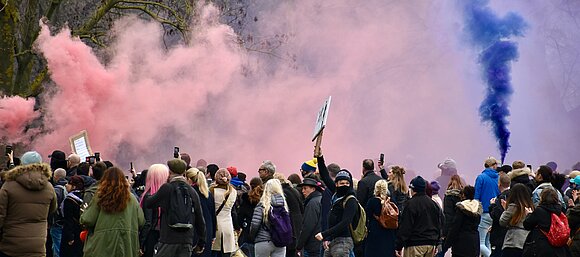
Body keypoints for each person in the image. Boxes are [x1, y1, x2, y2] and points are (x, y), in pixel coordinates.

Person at [144, 159, 206, 257]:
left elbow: (149, 203)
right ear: (184, 173)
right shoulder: (191, 191)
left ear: (170, 172)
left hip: (168, 239)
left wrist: (149, 190)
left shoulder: (167, 188)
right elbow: (200, 218)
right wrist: (201, 241)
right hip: (186, 240)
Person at [0, 151, 57, 257]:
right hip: (37, 245)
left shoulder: (8, 185)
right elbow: (53, 209)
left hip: (11, 245)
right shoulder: (49, 187)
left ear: (22, 164)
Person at [80, 167, 145, 256]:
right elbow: (141, 221)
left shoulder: (100, 197)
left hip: (102, 246)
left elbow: (87, 220)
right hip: (126, 247)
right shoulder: (132, 199)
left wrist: (84, 212)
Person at [395, 175, 443, 257]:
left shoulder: (410, 204)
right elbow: (439, 224)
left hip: (414, 244)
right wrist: (438, 243)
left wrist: (398, 246)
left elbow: (406, 227)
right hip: (431, 244)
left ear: (413, 189)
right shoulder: (434, 204)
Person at [314, 170, 358, 257]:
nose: (345, 185)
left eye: (347, 183)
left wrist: (324, 234)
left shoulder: (351, 200)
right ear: (336, 184)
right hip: (334, 241)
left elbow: (345, 222)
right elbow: (326, 177)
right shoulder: (337, 194)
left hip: (343, 242)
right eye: (342, 183)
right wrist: (320, 158)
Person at [522, 187, 571, 257]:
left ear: (542, 197)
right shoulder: (561, 210)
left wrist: (529, 214)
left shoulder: (540, 211)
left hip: (542, 247)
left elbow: (527, 225)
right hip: (560, 249)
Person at [250, 179, 289, 257]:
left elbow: (255, 224)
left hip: (263, 240)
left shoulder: (262, 205)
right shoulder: (284, 205)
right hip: (280, 240)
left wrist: (252, 236)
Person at [441, 185, 481, 257]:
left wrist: (445, 246)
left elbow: (455, 228)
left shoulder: (461, 209)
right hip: (474, 243)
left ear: (463, 195)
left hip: (461, 244)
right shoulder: (477, 207)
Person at [139, 164, 170, 257]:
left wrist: (140, 243)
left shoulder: (149, 197)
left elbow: (148, 223)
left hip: (151, 238)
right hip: (166, 238)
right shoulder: (170, 195)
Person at [186, 168, 217, 257]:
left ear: (189, 179)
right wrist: (213, 234)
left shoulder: (189, 193)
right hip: (208, 230)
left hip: (194, 231)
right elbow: (213, 215)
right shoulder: (208, 194)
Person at [475, 157, 501, 257]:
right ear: (493, 165)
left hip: (484, 212)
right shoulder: (499, 178)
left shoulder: (481, 177)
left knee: (480, 243)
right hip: (495, 213)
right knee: (488, 242)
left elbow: (476, 196)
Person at [273, 173, 303, 257]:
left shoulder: (282, 193)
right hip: (298, 224)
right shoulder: (294, 191)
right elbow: (301, 208)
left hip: (290, 225)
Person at [499, 184, 533, 257]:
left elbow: (502, 221)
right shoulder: (531, 207)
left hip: (513, 241)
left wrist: (505, 209)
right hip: (526, 241)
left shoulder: (513, 206)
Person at [211, 168, 238, 257]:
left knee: (214, 253)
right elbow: (233, 212)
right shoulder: (233, 192)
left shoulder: (212, 191)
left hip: (215, 227)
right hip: (228, 227)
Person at [365, 179, 396, 257]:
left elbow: (366, 216)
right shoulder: (391, 202)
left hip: (375, 233)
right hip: (389, 234)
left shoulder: (372, 201)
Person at [296, 178, 323, 257]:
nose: (303, 191)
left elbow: (308, 226)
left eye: (305, 188)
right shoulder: (321, 200)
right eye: (302, 189)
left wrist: (299, 245)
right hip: (319, 242)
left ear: (313, 189)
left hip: (312, 245)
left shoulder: (312, 203)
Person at [60, 175, 86, 257]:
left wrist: (70, 237)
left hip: (71, 232)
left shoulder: (69, 200)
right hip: (81, 231)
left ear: (74, 186)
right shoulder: (84, 197)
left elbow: (68, 219)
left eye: (69, 183)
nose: (66, 185)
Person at [238, 177, 264, 257]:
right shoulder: (264, 199)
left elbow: (240, 217)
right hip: (261, 236)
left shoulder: (245, 198)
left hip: (247, 234)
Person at [489, 173, 511, 257]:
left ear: (499, 184)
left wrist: (492, 205)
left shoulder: (500, 198)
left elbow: (496, 216)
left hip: (499, 235)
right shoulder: (514, 196)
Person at [51, 168, 68, 257]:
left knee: (57, 246)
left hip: (57, 222)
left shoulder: (56, 190)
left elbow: (53, 207)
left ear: (56, 177)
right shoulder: (69, 187)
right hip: (67, 222)